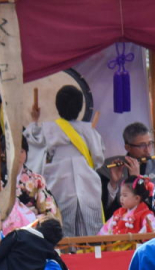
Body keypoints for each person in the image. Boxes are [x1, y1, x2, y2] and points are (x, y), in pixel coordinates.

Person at [25, 87, 106, 235]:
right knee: (90, 229)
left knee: (61, 227)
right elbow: (98, 158)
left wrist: (34, 120)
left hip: (59, 182)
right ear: (80, 107)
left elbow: (31, 140)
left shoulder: (48, 129)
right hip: (87, 183)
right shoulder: (89, 130)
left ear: (58, 106)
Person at [102, 122, 155, 215]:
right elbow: (103, 208)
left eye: (150, 144)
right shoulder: (110, 166)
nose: (148, 150)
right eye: (142, 145)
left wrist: (136, 180)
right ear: (127, 147)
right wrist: (113, 184)